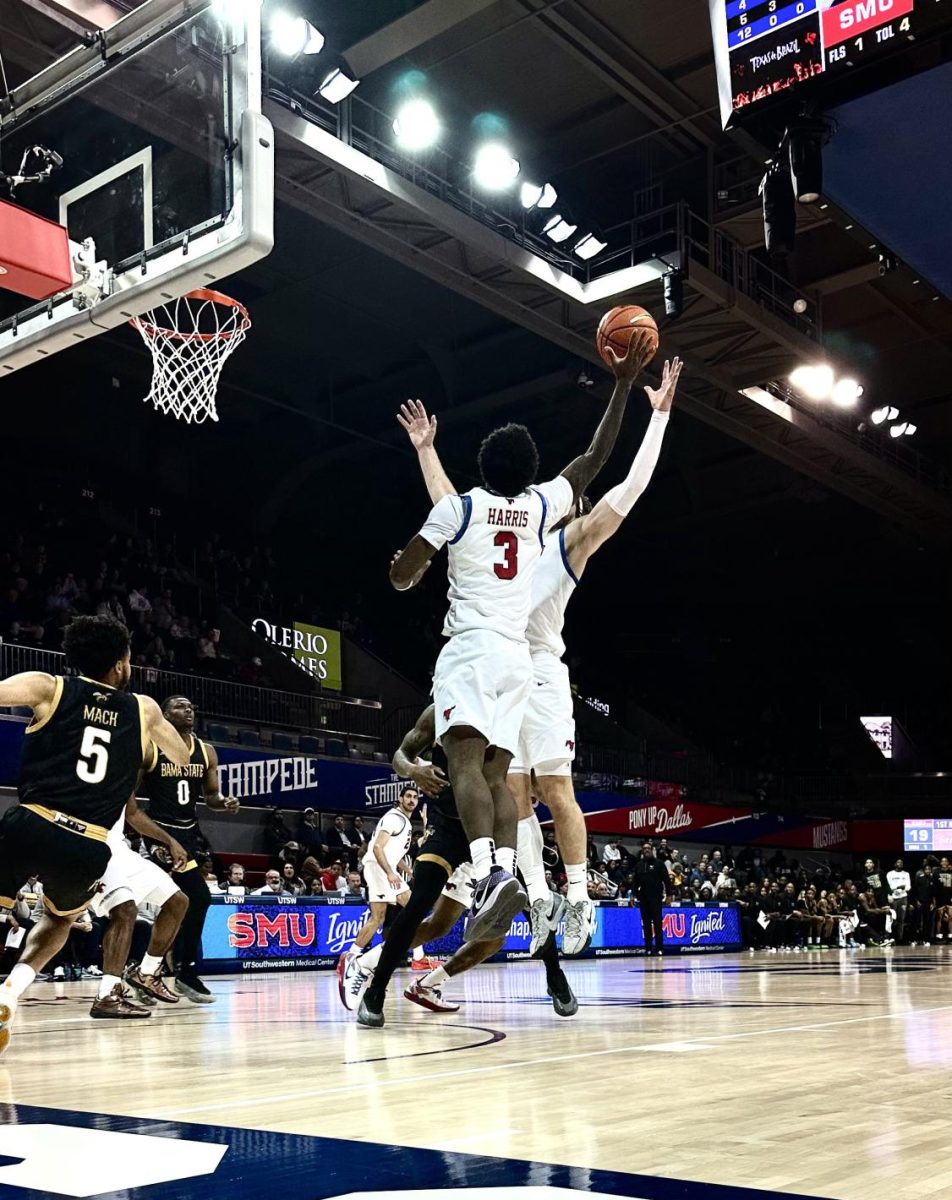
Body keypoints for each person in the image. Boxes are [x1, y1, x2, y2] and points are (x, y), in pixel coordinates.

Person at [401, 356, 680, 955]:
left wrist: (653, 417)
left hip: (537, 671)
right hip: (508, 668)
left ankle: (575, 896)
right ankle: (530, 892)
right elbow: (460, 507)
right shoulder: (525, 521)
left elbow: (626, 485)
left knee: (553, 789)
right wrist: (427, 451)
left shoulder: (569, 541)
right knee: (511, 790)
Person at [0, 614, 189, 1052]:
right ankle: (9, 992)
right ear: (122, 665)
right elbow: (177, 755)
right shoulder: (143, 709)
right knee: (60, 919)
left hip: (31, 821)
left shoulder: (48, 687)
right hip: (88, 842)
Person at [345, 705, 576, 1027]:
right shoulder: (440, 711)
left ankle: (555, 975)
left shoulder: (508, 710)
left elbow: (530, 782)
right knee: (423, 908)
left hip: (493, 828)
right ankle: (374, 986)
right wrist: (413, 771)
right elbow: (401, 753)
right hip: (450, 826)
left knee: (521, 908)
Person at [138, 694, 240, 1003]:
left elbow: (211, 796)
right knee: (186, 898)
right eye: (180, 707)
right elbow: (129, 798)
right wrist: (151, 839)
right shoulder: (150, 747)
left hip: (189, 833)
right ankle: (174, 971)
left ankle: (157, 970)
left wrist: (224, 803)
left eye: (191, 706)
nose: (189, 710)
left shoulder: (206, 752)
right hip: (159, 832)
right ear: (165, 715)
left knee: (191, 900)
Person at [89, 794, 190, 1016]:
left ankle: (146, 972)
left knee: (177, 901)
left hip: (119, 849)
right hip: (91, 844)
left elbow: (132, 813)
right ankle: (106, 995)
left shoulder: (126, 763)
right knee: (125, 910)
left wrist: (169, 840)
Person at [337, 785, 418, 985]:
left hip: (383, 868)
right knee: (398, 912)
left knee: (391, 915)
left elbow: (393, 853)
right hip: (378, 868)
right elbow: (378, 847)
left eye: (415, 797)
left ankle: (352, 956)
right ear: (400, 799)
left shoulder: (403, 820)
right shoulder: (394, 818)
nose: (411, 800)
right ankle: (352, 957)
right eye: (407, 796)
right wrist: (390, 872)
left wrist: (408, 871)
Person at [634, 841, 671, 957]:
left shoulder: (659, 863)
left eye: (648, 848)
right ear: (642, 851)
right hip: (643, 898)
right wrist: (632, 895)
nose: (646, 850)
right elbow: (635, 882)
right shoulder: (639, 865)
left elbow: (667, 880)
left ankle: (660, 948)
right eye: (644, 848)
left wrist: (669, 895)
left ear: (652, 850)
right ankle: (648, 948)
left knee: (657, 924)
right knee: (646, 924)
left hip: (656, 898)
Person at [886, 858, 911, 944]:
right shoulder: (890, 874)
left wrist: (903, 888)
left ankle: (900, 938)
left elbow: (908, 886)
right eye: (898, 862)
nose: (900, 864)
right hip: (893, 898)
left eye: (901, 863)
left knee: (901, 919)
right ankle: (891, 937)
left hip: (903, 898)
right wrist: (897, 887)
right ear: (895, 864)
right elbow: (888, 886)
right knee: (892, 919)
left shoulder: (906, 874)